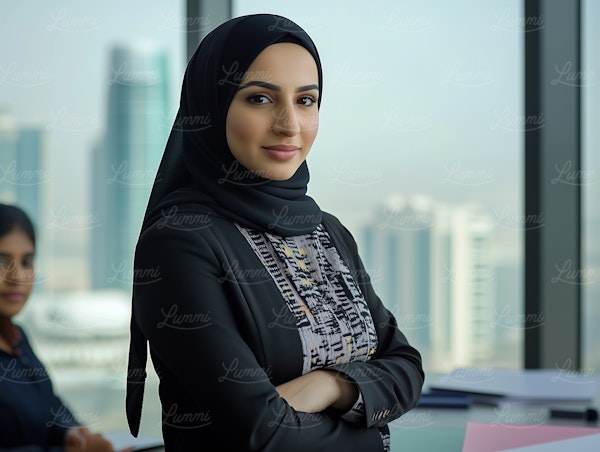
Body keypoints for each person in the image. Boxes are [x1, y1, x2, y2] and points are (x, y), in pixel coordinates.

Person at [126, 13, 424, 451]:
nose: (289, 124)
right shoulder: (178, 242)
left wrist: (331, 385)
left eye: (306, 100)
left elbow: (407, 366)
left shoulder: (328, 232)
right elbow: (259, 433)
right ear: (211, 105)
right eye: (260, 99)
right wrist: (374, 432)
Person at [0, 204, 116, 452]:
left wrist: (70, 433)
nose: (16, 277)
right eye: (2, 261)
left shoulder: (18, 339)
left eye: (27, 261)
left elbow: (50, 407)